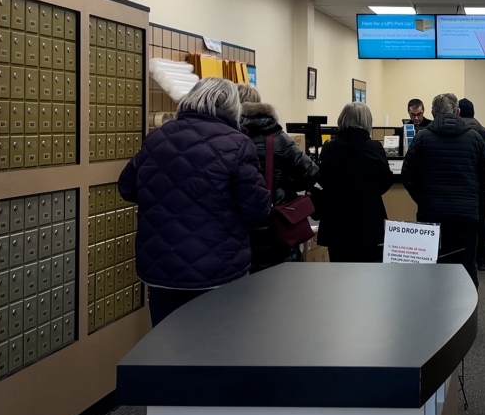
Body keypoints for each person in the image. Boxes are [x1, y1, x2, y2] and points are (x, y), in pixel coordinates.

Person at [118, 78, 270, 326]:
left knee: (167, 345)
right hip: (218, 268)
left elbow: (127, 187)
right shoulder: (238, 144)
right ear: (234, 107)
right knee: (217, 348)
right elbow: (257, 212)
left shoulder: (158, 137)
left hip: (161, 268)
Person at [402, 93, 485, 288]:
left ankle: (434, 313)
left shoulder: (421, 139)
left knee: (431, 267)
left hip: (431, 213)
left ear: (433, 113)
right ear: (458, 112)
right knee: (466, 268)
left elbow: (408, 176)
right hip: (466, 215)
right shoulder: (475, 138)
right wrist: (472, 197)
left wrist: (422, 199)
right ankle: (467, 314)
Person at [237, 83, 319, 272]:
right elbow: (311, 172)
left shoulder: (227, 137)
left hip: (240, 229)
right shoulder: (276, 138)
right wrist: (284, 185)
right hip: (276, 226)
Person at [315, 102, 394, 262]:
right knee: (368, 271)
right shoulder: (374, 147)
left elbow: (322, 179)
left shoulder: (329, 147)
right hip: (367, 220)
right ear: (367, 122)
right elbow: (386, 180)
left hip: (335, 220)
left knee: (338, 271)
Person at [457, 98, 485, 272]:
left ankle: (462, 258)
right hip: (479, 186)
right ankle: (483, 259)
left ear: (458, 112)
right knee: (480, 222)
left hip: (460, 185)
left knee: (459, 224)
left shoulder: (458, 132)